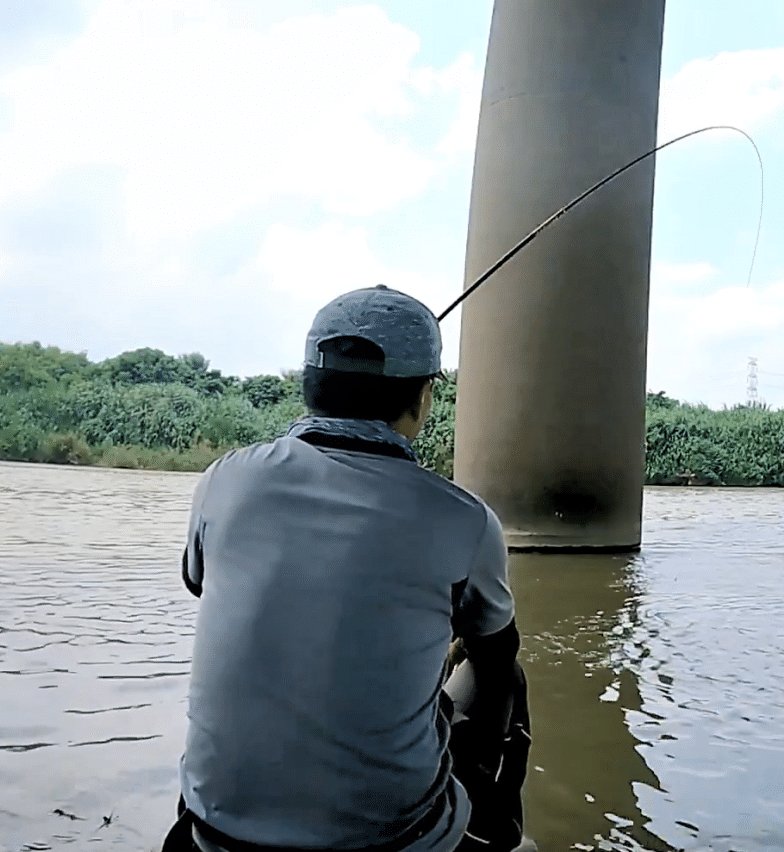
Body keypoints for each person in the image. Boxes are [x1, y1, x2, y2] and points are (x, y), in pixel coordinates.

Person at [161, 286, 530, 852]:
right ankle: (496, 825)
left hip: (213, 832)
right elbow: (496, 653)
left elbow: (205, 583)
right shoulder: (464, 520)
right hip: (390, 841)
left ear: (310, 385)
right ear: (423, 398)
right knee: (503, 669)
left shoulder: (224, 481)